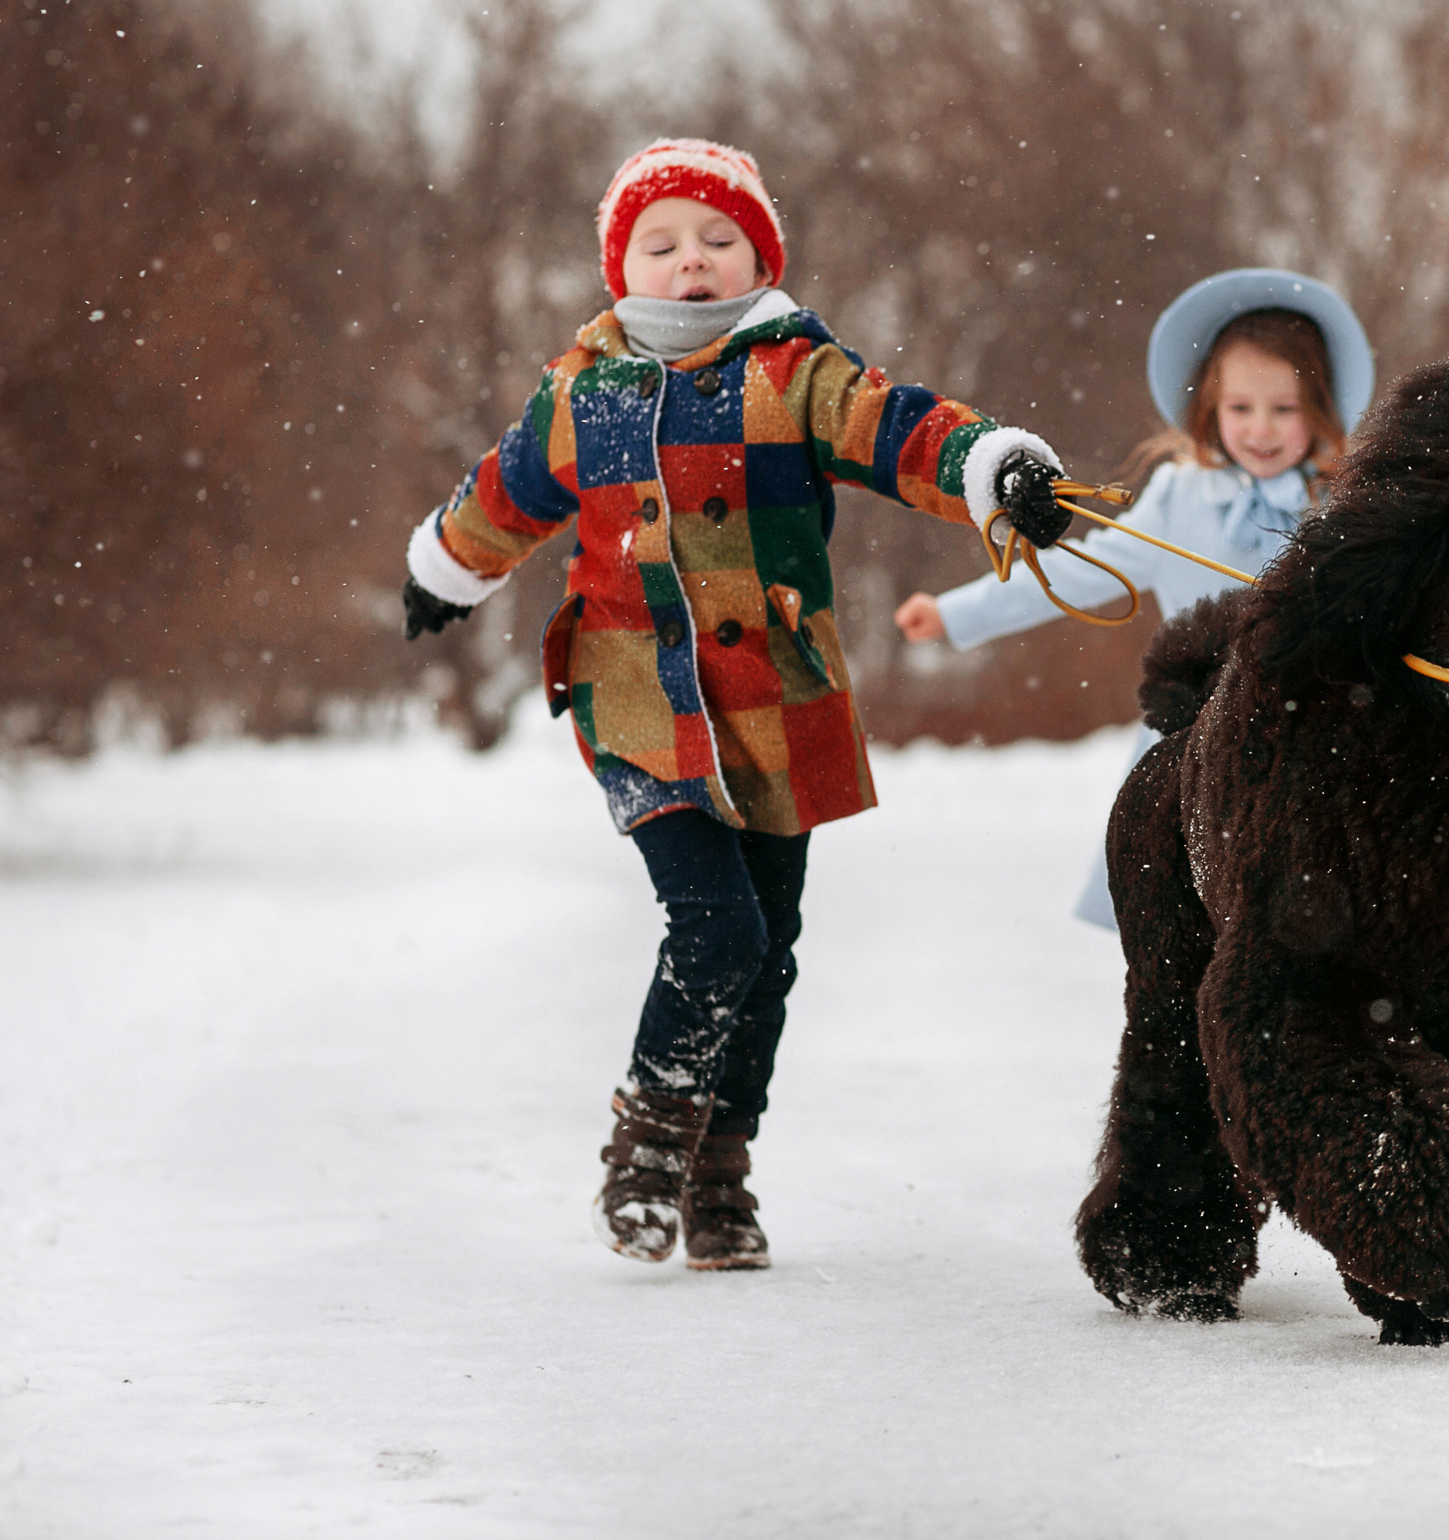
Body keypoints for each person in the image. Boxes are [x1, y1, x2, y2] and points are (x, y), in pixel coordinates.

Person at [398, 138, 1073, 1271]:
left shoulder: (797, 373)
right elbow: (507, 490)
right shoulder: (583, 391)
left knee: (769, 951)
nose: (692, 262)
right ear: (622, 270)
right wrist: (443, 568)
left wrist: (988, 469)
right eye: (660, 245)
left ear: (761, 260)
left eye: (720, 240)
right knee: (718, 928)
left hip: (775, 707)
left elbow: (900, 428)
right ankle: (648, 1146)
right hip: (637, 706)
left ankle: (720, 1172)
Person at [893, 268, 1373, 928]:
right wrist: (955, 614)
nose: (1260, 428)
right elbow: (1077, 572)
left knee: (1293, 921)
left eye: (1283, 409)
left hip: (1308, 746)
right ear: (1210, 407)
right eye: (1240, 408)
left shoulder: (1346, 508)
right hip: (1193, 744)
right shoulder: (1179, 498)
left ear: (1319, 407)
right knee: (1182, 922)